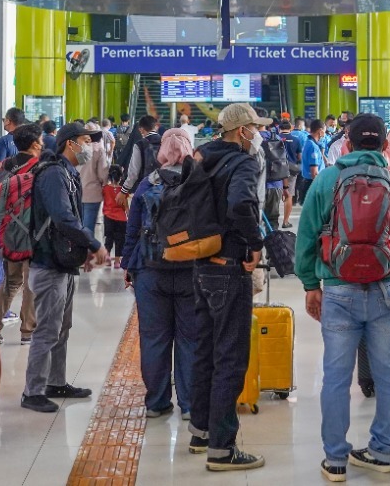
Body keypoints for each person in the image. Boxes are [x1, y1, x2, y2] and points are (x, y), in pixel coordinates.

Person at [296, 113, 390, 482]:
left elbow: (306, 238)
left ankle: (335, 460)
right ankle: (382, 452)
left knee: (336, 376)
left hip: (338, 288)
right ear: (385, 145)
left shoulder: (326, 180)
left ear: (347, 144)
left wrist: (309, 285)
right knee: (388, 373)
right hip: (388, 289)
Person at [187, 103, 269, 471]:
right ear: (242, 131)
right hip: (230, 268)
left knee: (204, 350)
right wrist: (255, 243)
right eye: (255, 127)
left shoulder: (200, 157)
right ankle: (222, 448)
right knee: (231, 357)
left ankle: (200, 430)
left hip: (200, 264)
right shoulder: (242, 162)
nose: (258, 134)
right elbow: (240, 204)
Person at [21, 123, 110, 414]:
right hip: (48, 263)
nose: (90, 147)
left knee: (62, 327)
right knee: (47, 329)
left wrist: (80, 250)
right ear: (70, 143)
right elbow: (62, 218)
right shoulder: (53, 174)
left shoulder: (67, 172)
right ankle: (32, 391)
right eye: (86, 141)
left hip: (62, 260)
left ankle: (55, 382)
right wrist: (94, 244)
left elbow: (69, 220)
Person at [123, 129, 198, 419]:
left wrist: (129, 266)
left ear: (163, 152)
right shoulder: (200, 183)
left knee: (154, 338)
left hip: (151, 271)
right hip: (191, 270)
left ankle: (156, 402)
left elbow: (133, 231)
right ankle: (190, 405)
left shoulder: (146, 184)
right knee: (190, 339)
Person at [0, 123, 43, 345]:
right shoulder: (39, 168)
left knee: (10, 282)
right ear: (33, 144)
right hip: (32, 231)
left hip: (8, 232)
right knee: (31, 283)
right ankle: (27, 330)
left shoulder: (5, 166)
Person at [77, 122, 111, 238]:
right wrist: (106, 183)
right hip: (92, 193)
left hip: (75, 191)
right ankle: (87, 251)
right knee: (88, 226)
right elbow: (103, 173)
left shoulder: (76, 148)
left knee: (77, 224)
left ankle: (78, 250)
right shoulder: (98, 150)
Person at [119, 115, 161, 202]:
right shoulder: (164, 141)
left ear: (141, 129)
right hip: (162, 188)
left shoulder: (139, 145)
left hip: (145, 188)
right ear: (155, 127)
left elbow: (133, 173)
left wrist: (123, 191)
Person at [101, 165, 127, 266]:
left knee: (109, 238)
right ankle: (117, 261)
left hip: (108, 217)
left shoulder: (105, 189)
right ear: (121, 177)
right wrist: (128, 214)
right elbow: (125, 205)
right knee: (120, 240)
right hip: (121, 218)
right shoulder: (122, 190)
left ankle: (107, 259)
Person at [298, 118, 326, 208]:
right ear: (320, 131)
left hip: (309, 183)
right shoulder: (312, 146)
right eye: (324, 131)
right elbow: (314, 172)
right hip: (312, 184)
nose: (324, 134)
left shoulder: (310, 143)